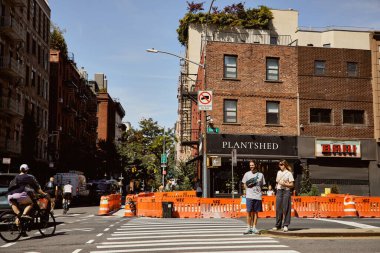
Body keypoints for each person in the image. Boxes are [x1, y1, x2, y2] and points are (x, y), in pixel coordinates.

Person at [241, 160, 266, 235]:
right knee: (248, 212)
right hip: (249, 196)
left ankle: (254, 227)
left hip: (257, 196)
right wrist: (246, 191)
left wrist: (258, 190)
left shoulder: (261, 175)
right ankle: (248, 227)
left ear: (256, 165)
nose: (251, 166)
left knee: (255, 212)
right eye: (250, 165)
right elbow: (244, 184)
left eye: (252, 165)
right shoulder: (247, 174)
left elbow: (261, 185)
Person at [273, 159, 294, 232]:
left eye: (281, 164)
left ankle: (285, 225)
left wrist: (284, 184)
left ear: (285, 165)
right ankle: (278, 225)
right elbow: (277, 182)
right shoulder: (278, 172)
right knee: (278, 208)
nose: (280, 166)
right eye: (279, 165)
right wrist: (276, 186)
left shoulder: (289, 173)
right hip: (279, 191)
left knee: (286, 208)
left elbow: (292, 185)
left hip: (286, 191)